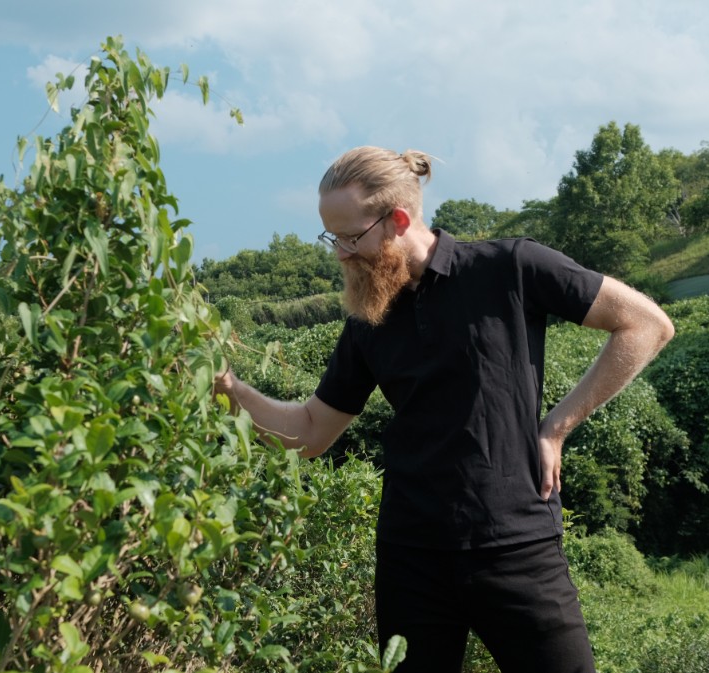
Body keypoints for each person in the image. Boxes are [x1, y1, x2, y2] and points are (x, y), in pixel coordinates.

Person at [212, 146, 675, 673]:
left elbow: (646, 325)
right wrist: (228, 387)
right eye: (331, 238)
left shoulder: (509, 267)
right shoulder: (368, 317)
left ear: (398, 221)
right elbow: (311, 432)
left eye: (350, 237)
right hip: (411, 557)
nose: (340, 253)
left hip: (517, 545)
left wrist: (556, 427)